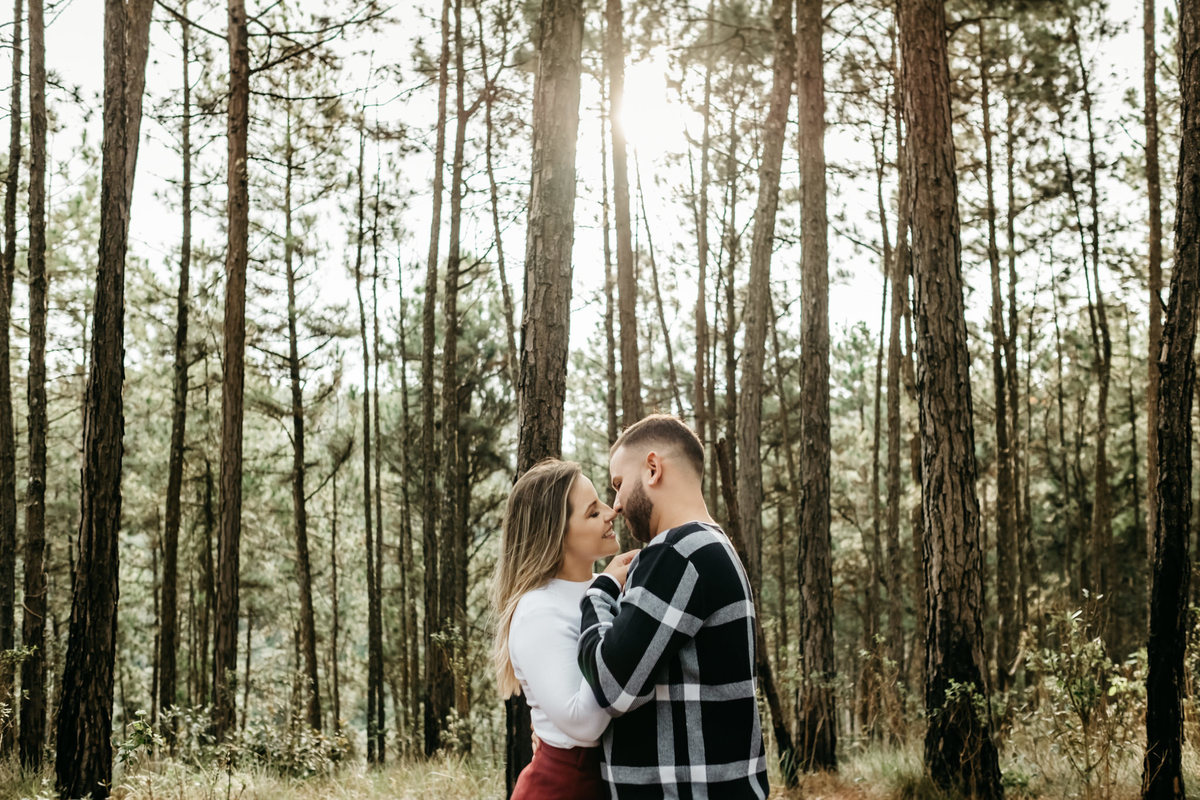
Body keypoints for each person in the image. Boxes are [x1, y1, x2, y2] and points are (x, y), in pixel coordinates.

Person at [578, 414, 769, 799]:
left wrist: (598, 593)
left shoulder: (676, 552)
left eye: (618, 484)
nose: (615, 504)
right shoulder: (714, 547)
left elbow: (612, 685)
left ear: (652, 468)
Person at [493, 458, 638, 800]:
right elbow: (584, 724)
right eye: (592, 512)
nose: (610, 512)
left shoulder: (609, 588)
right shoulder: (537, 610)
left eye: (602, 502)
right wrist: (603, 590)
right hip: (563, 788)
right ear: (556, 534)